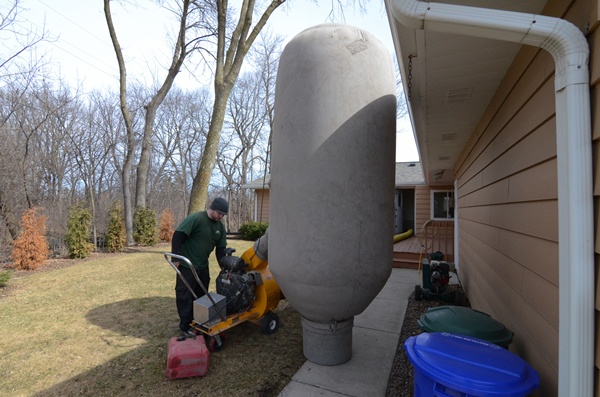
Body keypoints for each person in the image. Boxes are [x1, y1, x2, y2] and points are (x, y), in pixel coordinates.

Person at [171, 197, 228, 340]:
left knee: (202, 295)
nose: (221, 217)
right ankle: (185, 327)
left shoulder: (219, 227)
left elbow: (221, 249)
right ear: (212, 209)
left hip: (203, 265)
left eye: (223, 215)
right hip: (187, 265)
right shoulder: (196, 219)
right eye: (219, 213)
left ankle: (200, 322)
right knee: (184, 295)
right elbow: (178, 236)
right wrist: (176, 258)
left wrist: (225, 267)